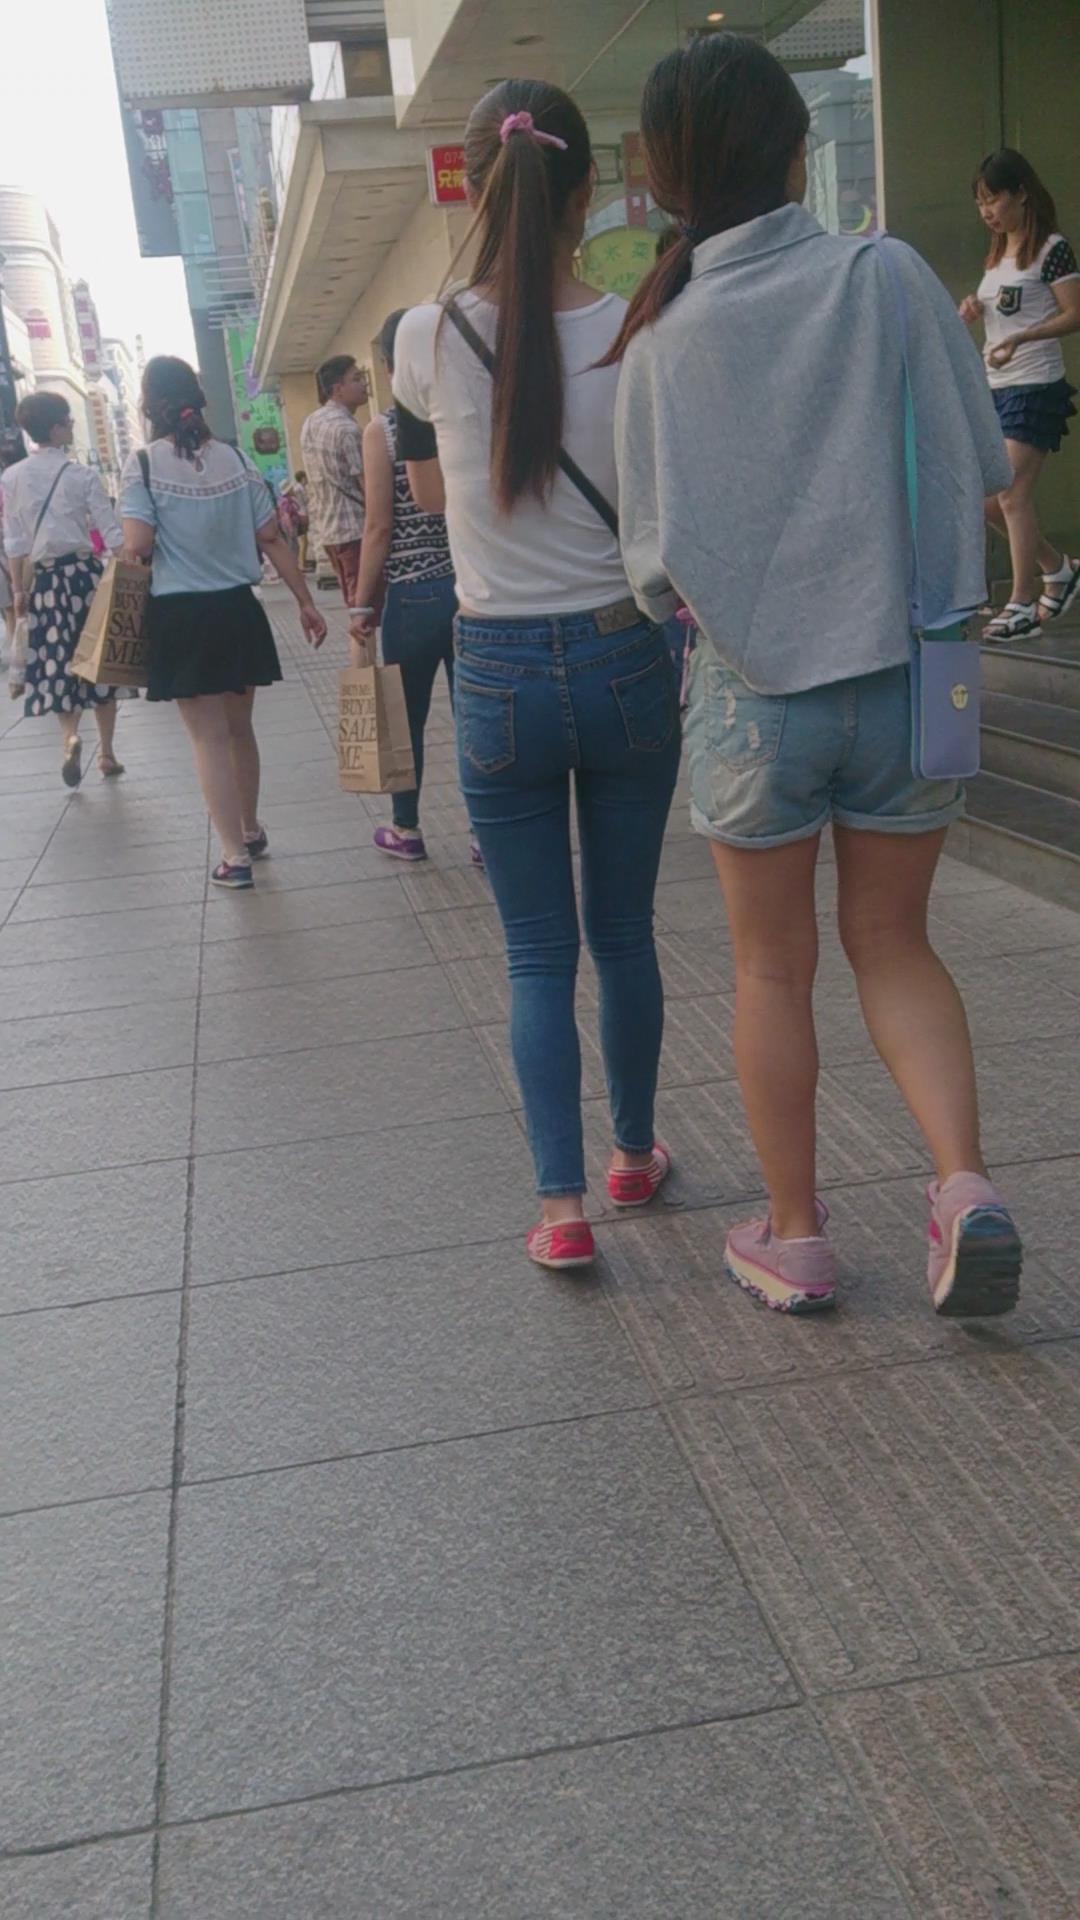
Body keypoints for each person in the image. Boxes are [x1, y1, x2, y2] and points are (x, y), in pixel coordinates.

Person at [611, 31, 1023, 1319]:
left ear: (665, 178)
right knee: (896, 943)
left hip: (753, 696)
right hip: (916, 671)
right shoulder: (887, 274)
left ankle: (795, 1239)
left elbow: (649, 564)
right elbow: (984, 461)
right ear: (799, 155)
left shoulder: (661, 337)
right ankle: (963, 1188)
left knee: (770, 971)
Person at [392, 79, 681, 1274]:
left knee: (533, 954)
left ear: (472, 187)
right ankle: (634, 1154)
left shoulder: (420, 338)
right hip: (623, 654)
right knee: (624, 932)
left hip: (498, 666)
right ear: (585, 192)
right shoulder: (635, 330)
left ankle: (562, 1210)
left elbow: (424, 489)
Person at [119, 356, 327, 889]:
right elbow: (271, 537)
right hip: (238, 609)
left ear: (149, 406)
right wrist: (306, 601)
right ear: (200, 399)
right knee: (239, 730)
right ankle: (251, 830)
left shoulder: (142, 465)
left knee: (207, 739)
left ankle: (234, 857)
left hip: (182, 615)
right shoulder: (237, 460)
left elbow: (138, 543)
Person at [349, 308, 467, 863]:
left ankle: (406, 828)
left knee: (406, 716)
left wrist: (360, 605)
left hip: (413, 596)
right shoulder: (462, 413)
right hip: (471, 589)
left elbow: (378, 527)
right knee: (475, 715)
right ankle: (484, 833)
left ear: (389, 364)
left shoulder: (385, 430)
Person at [959, 150, 1080, 639]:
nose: (986, 212)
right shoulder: (997, 255)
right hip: (997, 389)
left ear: (1021, 194)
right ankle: (1058, 568)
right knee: (985, 498)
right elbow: (1005, 311)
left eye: (993, 200)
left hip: (1036, 387)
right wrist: (974, 308)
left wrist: (1024, 338)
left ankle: (1021, 602)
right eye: (980, 203)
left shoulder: (1051, 248)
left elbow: (1074, 313)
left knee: (1011, 494)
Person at [1, 391, 125, 784]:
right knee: (98, 662)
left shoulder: (12, 477)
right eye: (68, 420)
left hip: (46, 583)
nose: (72, 425)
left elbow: (15, 542)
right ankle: (107, 753)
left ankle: (70, 736)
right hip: (86, 578)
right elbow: (111, 532)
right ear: (55, 428)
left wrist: (19, 593)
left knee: (56, 662)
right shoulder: (81, 475)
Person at [299, 356, 368, 606]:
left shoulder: (311, 422)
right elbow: (368, 486)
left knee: (354, 603)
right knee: (365, 607)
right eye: (357, 379)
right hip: (357, 530)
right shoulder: (348, 430)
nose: (364, 384)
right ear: (338, 389)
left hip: (329, 531)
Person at [0, 431, 26, 666]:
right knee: (11, 608)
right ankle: (15, 651)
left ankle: (14, 653)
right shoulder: (16, 484)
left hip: (10, 554)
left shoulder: (7, 484)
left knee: (10, 607)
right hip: (18, 555)